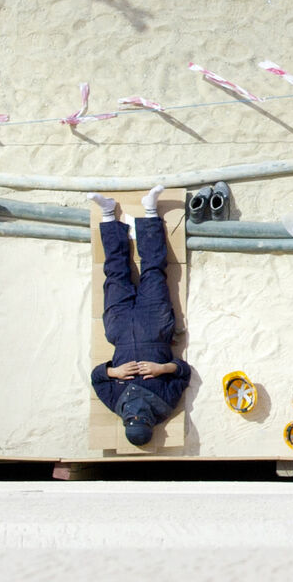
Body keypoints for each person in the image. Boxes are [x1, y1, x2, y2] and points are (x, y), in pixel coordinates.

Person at [88, 186, 191, 447]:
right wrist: (163, 368)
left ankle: (109, 213)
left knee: (115, 274)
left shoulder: (115, 403)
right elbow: (184, 372)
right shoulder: (165, 404)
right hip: (156, 329)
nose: (136, 413)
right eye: (141, 419)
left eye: (131, 418)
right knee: (154, 270)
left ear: (125, 421)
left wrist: (113, 372)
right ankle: (149, 210)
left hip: (119, 332)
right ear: (151, 424)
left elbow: (96, 377)